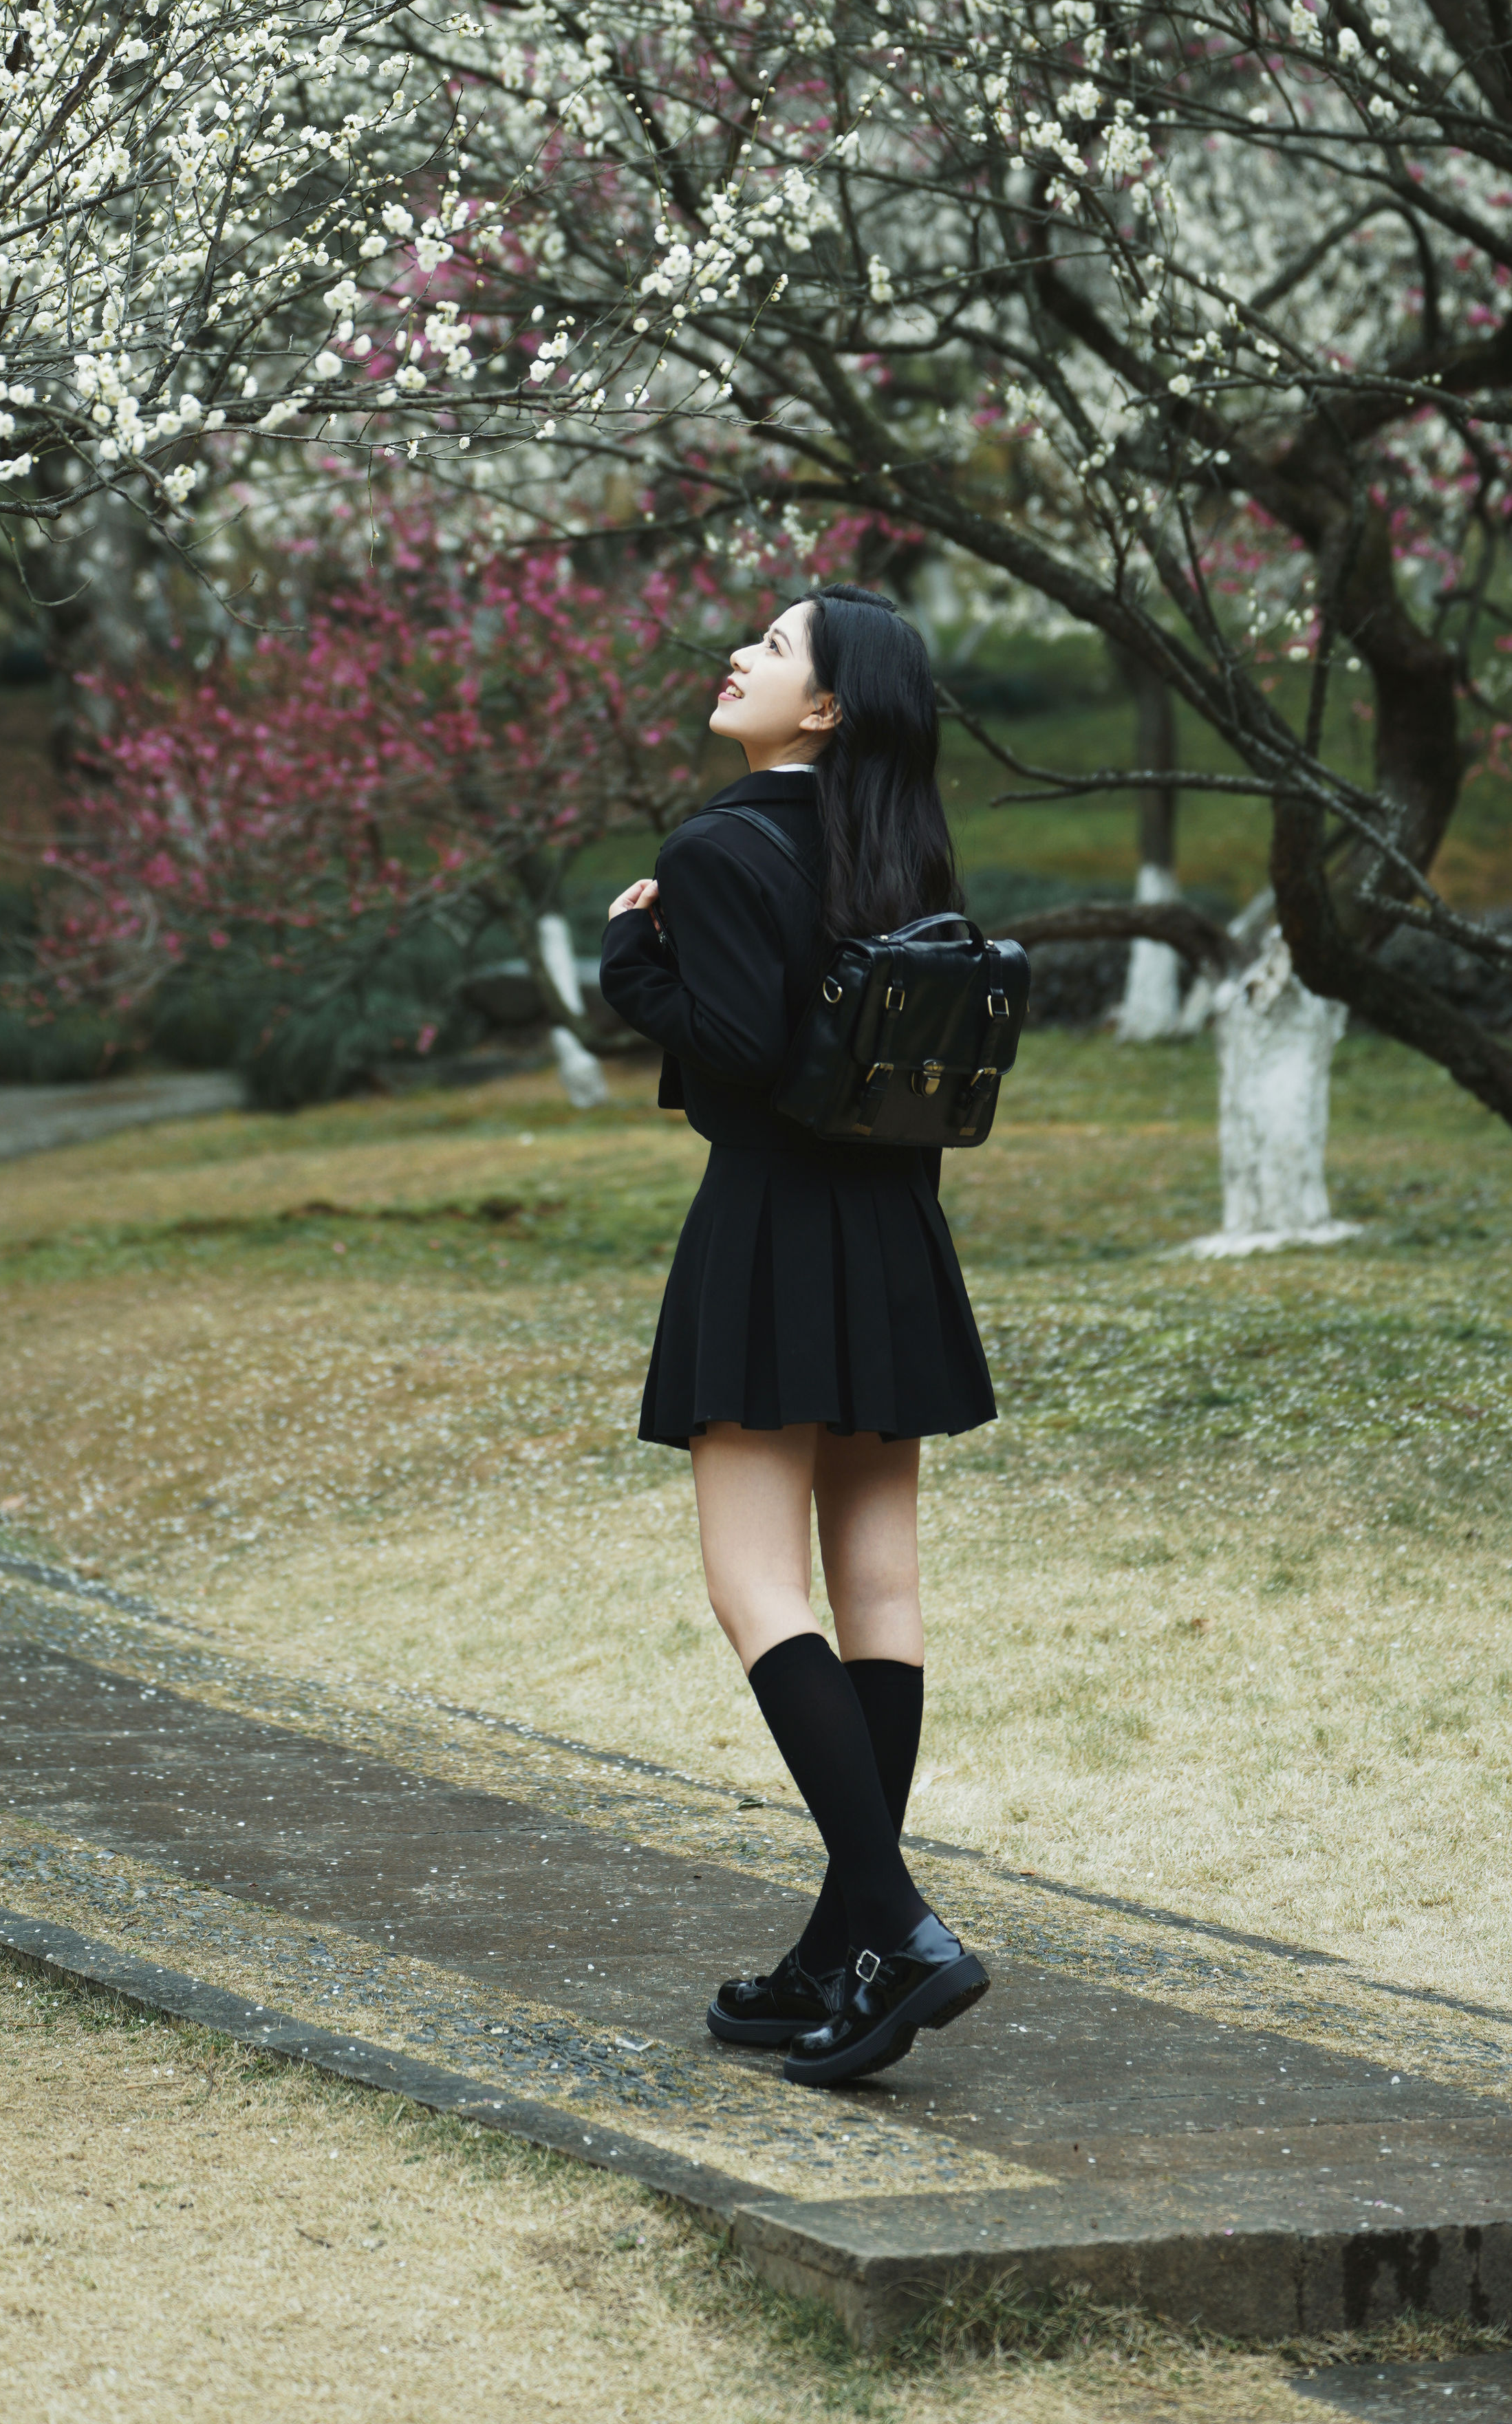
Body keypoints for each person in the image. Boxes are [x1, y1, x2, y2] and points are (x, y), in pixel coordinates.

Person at [599, 583, 995, 2090]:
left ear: (823, 708)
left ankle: (896, 1922)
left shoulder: (715, 845)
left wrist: (633, 966)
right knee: (878, 1581)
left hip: (773, 1227)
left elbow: (745, 1049)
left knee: (754, 1582)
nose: (738, 657)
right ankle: (840, 1944)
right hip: (893, 1232)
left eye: (771, 648)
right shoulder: (901, 843)